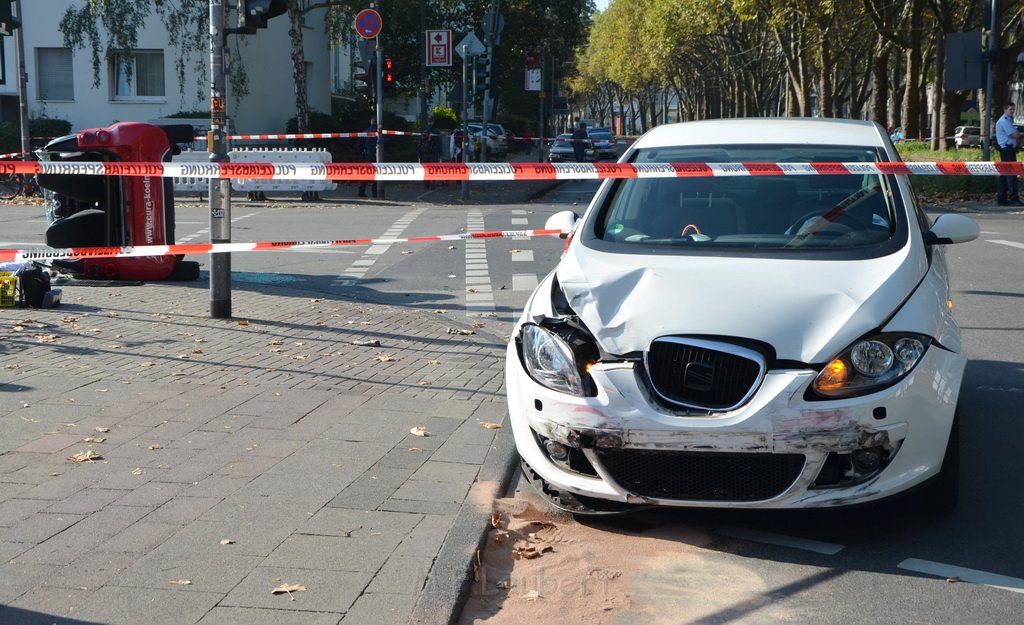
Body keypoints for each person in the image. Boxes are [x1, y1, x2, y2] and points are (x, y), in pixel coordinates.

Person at [996, 102, 1023, 206]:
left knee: (1004, 175)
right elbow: (1015, 135)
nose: (1013, 111)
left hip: (1007, 150)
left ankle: (1002, 198)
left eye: (1013, 109)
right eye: (1011, 109)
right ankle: (1013, 198)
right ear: (1005, 109)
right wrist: (1019, 133)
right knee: (1011, 174)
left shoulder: (1007, 120)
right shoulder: (1005, 121)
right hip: (1008, 151)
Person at [418, 115, 442, 189]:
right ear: (433, 121)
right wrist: (440, 153)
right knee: (433, 168)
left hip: (424, 152)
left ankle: (426, 183)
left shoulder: (422, 129)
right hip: (433, 153)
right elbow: (439, 143)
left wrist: (418, 152)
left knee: (425, 168)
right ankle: (432, 183)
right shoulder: (436, 131)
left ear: (427, 121)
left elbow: (419, 142)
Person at [357, 117, 377, 198]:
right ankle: (375, 192)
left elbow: (359, 144)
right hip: (377, 155)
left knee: (366, 173)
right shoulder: (379, 132)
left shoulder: (365, 131)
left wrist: (361, 153)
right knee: (378, 174)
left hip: (367, 155)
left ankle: (361, 191)